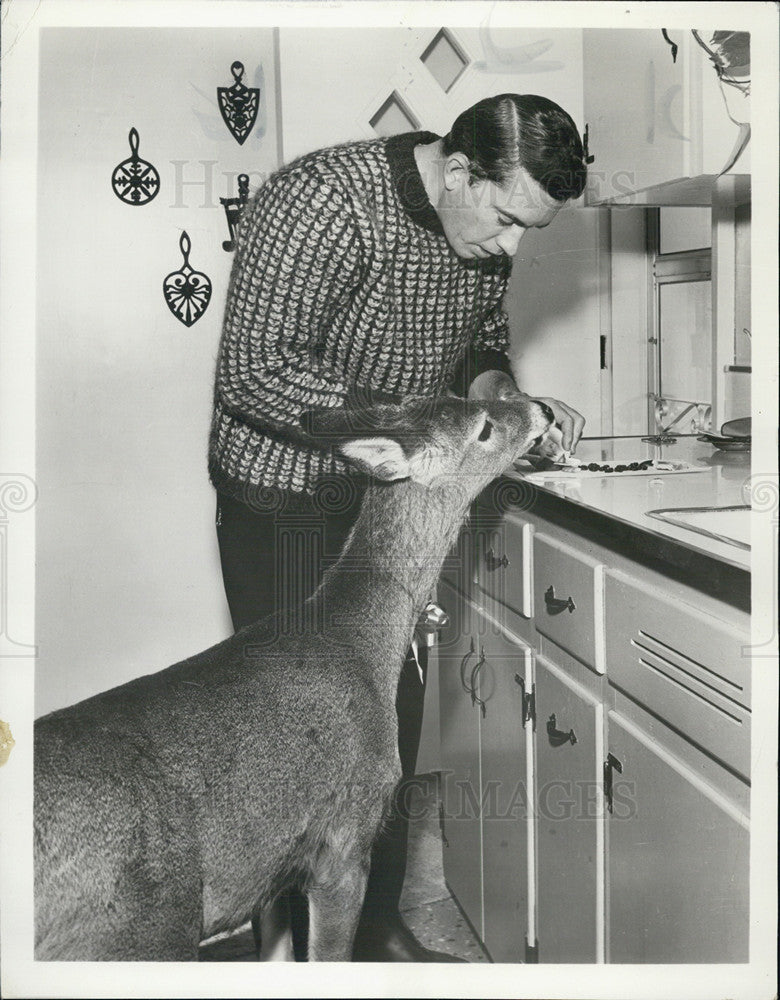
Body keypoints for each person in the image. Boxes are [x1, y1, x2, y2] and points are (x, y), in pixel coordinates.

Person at [208, 93, 586, 962]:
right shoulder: (322, 200)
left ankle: (369, 929)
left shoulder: (480, 229)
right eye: (504, 219)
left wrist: (495, 391)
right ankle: (264, 948)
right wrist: (415, 426)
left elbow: (479, 334)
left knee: (387, 723)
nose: (511, 249)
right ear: (458, 170)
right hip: (285, 498)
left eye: (529, 228)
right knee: (290, 736)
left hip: (389, 497)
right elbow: (254, 374)